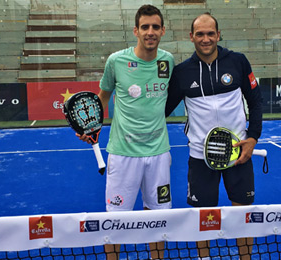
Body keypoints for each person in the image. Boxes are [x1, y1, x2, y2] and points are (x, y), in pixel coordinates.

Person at [78, 4, 173, 259]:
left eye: (155, 27)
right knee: (115, 221)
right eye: (145, 27)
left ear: (162, 30)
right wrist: (91, 125)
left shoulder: (168, 61)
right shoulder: (116, 61)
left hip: (159, 154)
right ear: (136, 30)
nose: (150, 32)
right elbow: (103, 97)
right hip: (123, 154)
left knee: (159, 218)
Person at [165, 12, 262, 260]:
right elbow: (161, 110)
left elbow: (255, 101)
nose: (205, 39)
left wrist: (252, 138)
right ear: (191, 37)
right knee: (202, 213)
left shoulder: (238, 62)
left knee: (242, 211)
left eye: (210, 33)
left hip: (238, 152)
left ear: (218, 35)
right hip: (200, 156)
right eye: (200, 34)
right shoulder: (182, 72)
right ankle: (204, 258)